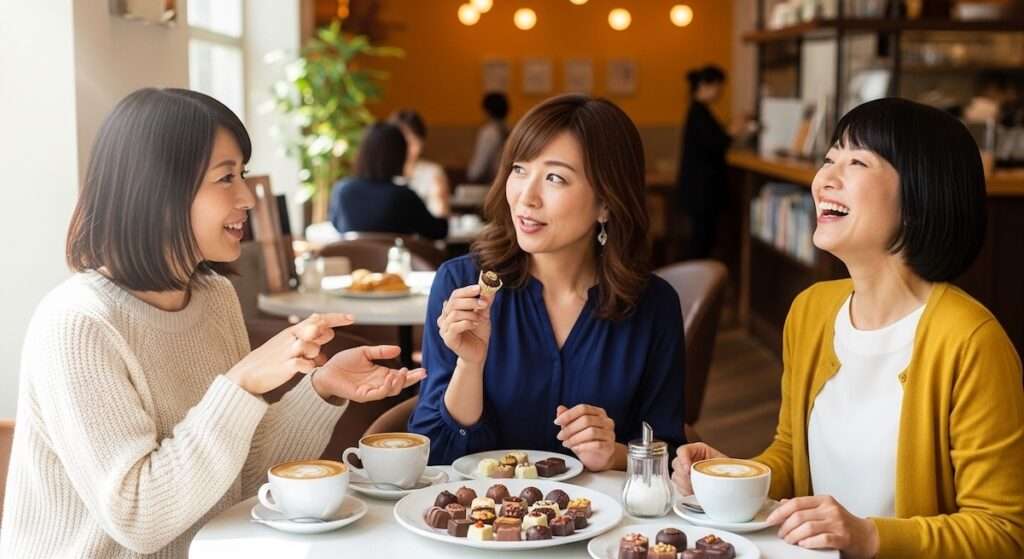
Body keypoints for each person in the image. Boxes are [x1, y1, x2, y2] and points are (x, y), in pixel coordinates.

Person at [0, 88, 426, 558]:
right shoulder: (78, 324)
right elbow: (138, 518)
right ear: (159, 190)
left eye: (241, 173)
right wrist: (241, 382)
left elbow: (238, 477)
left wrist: (322, 387)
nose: (247, 196)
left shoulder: (214, 297)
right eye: (226, 178)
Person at [672, 98, 1024, 557]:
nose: (825, 179)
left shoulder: (970, 340)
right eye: (828, 158)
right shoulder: (811, 311)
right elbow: (793, 454)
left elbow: (1002, 533)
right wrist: (736, 475)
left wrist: (870, 537)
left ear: (920, 198)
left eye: (856, 161)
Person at [409, 94, 687, 470]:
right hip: (478, 521)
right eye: (520, 169)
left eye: (555, 178)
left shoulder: (653, 305)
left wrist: (614, 454)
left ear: (607, 203)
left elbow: (671, 455)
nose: (526, 196)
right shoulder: (461, 284)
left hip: (607, 524)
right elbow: (432, 454)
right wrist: (469, 366)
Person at [676, 65, 748, 260]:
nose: (720, 92)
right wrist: (734, 130)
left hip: (701, 191)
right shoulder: (699, 113)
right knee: (701, 242)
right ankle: (695, 283)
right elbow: (716, 144)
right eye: (718, 86)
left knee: (702, 240)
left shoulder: (700, 112)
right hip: (702, 192)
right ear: (706, 85)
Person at [328, 122, 448, 240]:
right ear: (399, 156)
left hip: (354, 259)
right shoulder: (403, 196)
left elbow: (336, 226)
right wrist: (440, 200)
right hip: (398, 259)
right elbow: (439, 232)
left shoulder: (341, 190)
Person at [390, 109, 451, 218]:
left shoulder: (433, 172)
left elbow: (440, 215)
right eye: (402, 141)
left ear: (422, 142)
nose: (407, 148)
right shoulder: (382, 173)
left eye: (413, 141)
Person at [466, 91, 510, 184]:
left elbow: (478, 167)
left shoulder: (489, 132)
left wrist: (471, 176)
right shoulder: (509, 129)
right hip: (508, 181)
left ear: (487, 111)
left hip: (493, 183)